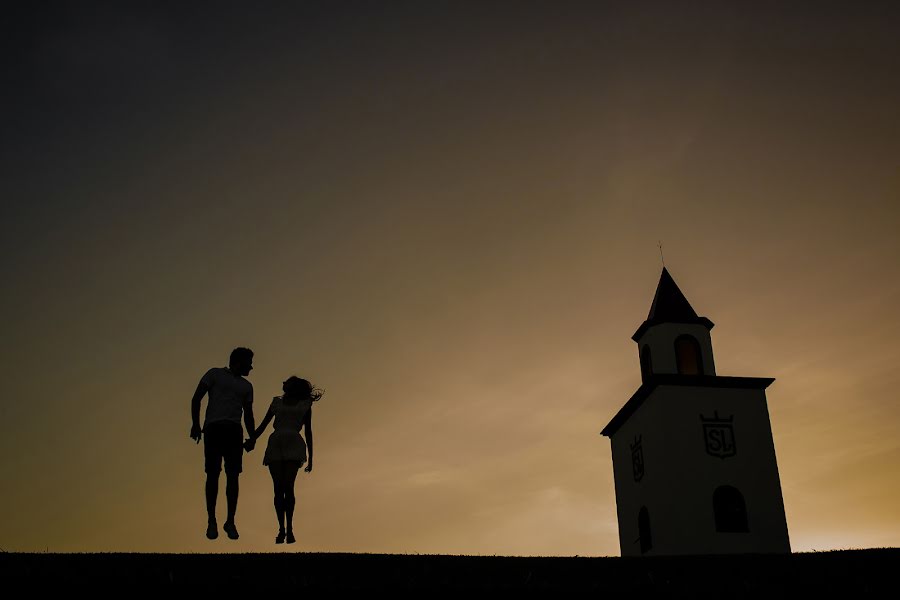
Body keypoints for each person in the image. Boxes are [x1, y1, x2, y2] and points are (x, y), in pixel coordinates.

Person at [190, 347, 256, 540]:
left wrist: (252, 437)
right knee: (212, 474)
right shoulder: (215, 374)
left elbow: (249, 414)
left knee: (233, 476)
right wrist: (195, 423)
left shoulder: (247, 386)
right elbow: (197, 398)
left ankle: (230, 521)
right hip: (213, 429)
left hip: (234, 431)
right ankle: (212, 520)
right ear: (239, 361)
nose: (251, 367)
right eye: (249, 362)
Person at [247, 376, 321, 544]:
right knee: (278, 489)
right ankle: (281, 528)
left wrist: (311, 458)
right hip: (276, 444)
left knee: (288, 486)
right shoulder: (276, 403)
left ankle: (290, 528)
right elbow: (264, 424)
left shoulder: (304, 406)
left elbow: (308, 431)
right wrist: (252, 439)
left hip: (294, 444)